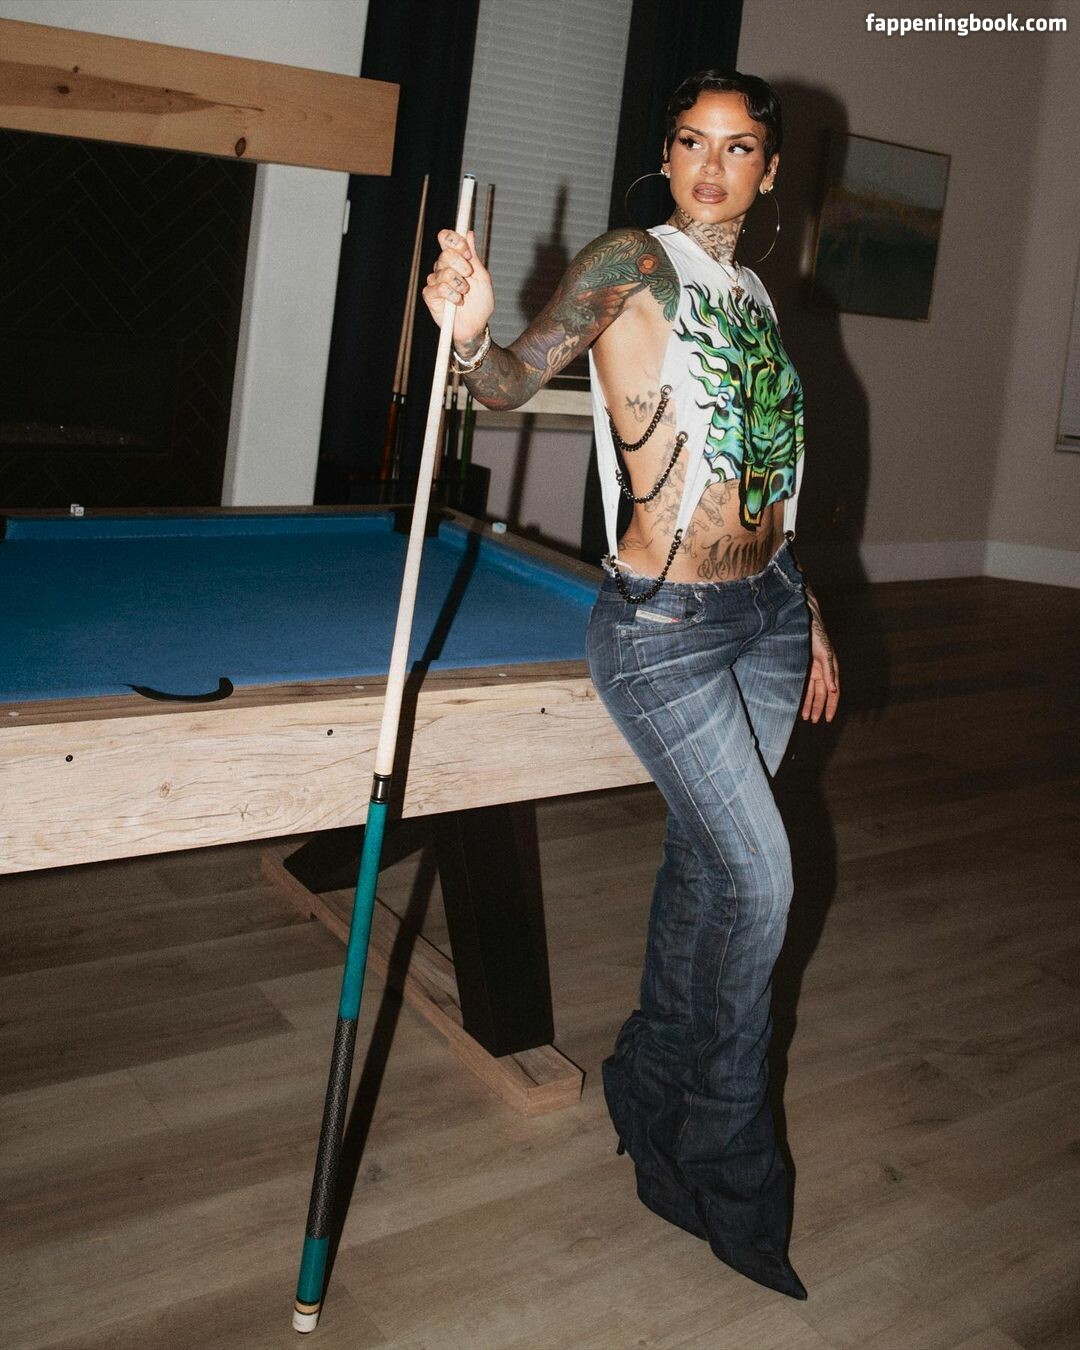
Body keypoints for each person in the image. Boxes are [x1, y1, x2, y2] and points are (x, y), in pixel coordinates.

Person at [423, 69, 839, 1300]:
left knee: (709, 871)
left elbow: (767, 471)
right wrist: (468, 329)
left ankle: (649, 1085)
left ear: (770, 172)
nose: (713, 165)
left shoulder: (752, 292)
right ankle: (725, 1166)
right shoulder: (630, 262)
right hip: (664, 627)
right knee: (761, 884)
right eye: (692, 142)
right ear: (665, 156)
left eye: (740, 147)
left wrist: (806, 605)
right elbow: (505, 382)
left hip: (767, 614)